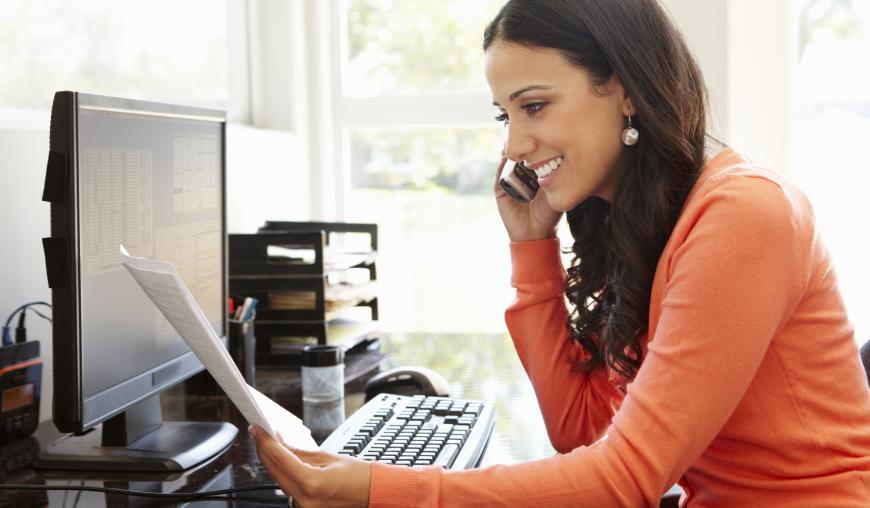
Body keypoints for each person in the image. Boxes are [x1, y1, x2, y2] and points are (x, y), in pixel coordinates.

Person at [251, 0, 870, 505]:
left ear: (625, 90)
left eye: (535, 106)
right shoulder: (637, 220)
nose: (516, 144)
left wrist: (377, 488)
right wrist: (531, 245)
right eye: (506, 116)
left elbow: (623, 479)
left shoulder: (743, 216)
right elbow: (583, 431)